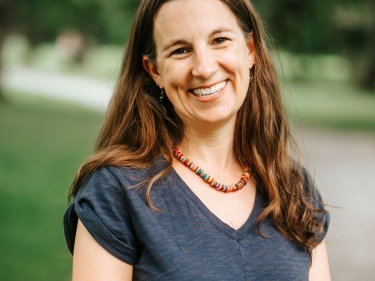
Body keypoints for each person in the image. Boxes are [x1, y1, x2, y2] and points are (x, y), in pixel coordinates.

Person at [63, 0, 331, 280]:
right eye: (180, 50)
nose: (203, 68)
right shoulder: (116, 193)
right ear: (154, 71)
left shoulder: (293, 188)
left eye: (219, 40)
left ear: (250, 51)